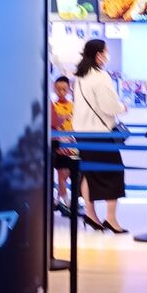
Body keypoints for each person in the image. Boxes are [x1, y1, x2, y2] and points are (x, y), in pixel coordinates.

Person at [73, 39, 127, 233]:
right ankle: (110, 218)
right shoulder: (101, 77)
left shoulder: (80, 76)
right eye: (105, 51)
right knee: (114, 173)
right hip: (100, 134)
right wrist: (122, 107)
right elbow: (109, 106)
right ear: (98, 54)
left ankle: (90, 214)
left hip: (81, 134)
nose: (107, 55)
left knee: (89, 173)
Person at [51, 75, 75, 212]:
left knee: (70, 172)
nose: (61, 92)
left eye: (64, 89)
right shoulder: (52, 106)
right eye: (58, 89)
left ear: (69, 89)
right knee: (61, 173)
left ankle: (58, 200)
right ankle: (67, 203)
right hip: (59, 143)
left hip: (73, 143)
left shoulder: (73, 106)